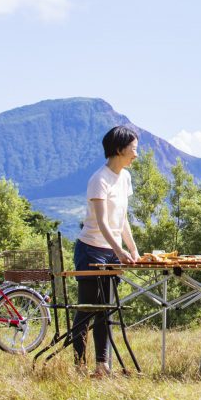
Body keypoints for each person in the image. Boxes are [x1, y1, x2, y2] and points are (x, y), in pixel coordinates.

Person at [71, 124, 141, 378]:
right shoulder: (99, 180)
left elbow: (121, 219)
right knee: (88, 308)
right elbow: (101, 222)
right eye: (133, 149)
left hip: (111, 251)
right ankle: (79, 365)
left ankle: (102, 366)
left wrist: (133, 249)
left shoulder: (125, 178)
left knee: (106, 308)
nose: (136, 154)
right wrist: (118, 250)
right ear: (119, 149)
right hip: (91, 251)